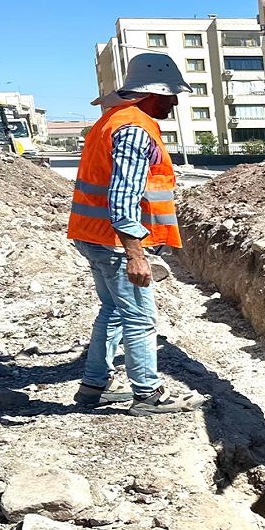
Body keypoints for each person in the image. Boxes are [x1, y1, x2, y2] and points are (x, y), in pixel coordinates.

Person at [68, 52, 203, 415]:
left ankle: (93, 385)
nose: (174, 102)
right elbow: (123, 195)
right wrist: (136, 253)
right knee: (141, 318)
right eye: (169, 94)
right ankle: (147, 394)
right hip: (115, 241)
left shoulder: (115, 120)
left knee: (112, 310)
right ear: (149, 93)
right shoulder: (133, 129)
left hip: (93, 234)